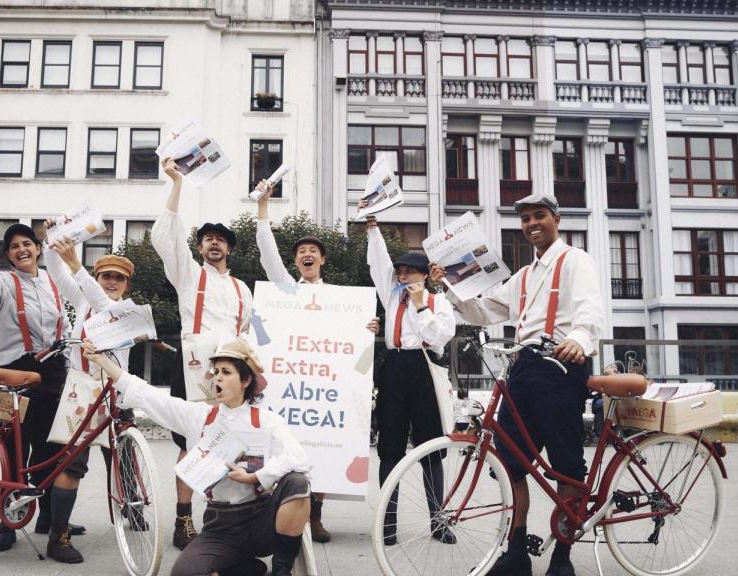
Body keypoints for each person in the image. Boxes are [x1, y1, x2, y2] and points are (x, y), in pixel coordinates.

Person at [429, 193, 603, 576]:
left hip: (561, 367)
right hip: (523, 370)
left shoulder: (576, 261)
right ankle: (516, 552)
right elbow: (485, 309)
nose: (532, 224)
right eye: (525, 219)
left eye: (539, 216)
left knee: (566, 466)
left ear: (556, 218)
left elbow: (590, 308)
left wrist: (579, 339)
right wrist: (448, 289)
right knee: (510, 463)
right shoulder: (524, 276)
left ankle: (563, 556)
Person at [84, 337, 311, 576]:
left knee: (296, 482)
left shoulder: (267, 421)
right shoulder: (198, 417)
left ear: (246, 380)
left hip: (261, 521)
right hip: (221, 526)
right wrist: (101, 361)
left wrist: (257, 477)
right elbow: (146, 395)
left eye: (226, 372)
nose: (218, 378)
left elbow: (299, 457)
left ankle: (281, 570)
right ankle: (247, 569)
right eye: (215, 372)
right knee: (184, 573)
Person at [252, 180, 379, 542]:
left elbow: (357, 342)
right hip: (291, 387)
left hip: (324, 390)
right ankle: (281, 512)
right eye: (301, 251)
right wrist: (263, 209)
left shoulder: (340, 300)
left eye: (313, 250)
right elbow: (267, 254)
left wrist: (368, 326)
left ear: (322, 259)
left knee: (323, 445)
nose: (306, 254)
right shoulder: (285, 291)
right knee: (285, 448)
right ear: (295, 261)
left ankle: (315, 516)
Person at [0, 223, 88, 563]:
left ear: (37, 248)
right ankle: (7, 523)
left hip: (52, 372)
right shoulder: (2, 283)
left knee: (51, 447)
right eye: (14, 246)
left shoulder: (53, 283)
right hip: (14, 373)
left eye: (27, 244)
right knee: (13, 449)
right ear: (7, 255)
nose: (22, 250)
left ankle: (48, 518)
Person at [153, 157, 254, 549]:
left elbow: (254, 333)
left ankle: (224, 517)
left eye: (221, 238)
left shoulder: (243, 289)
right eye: (208, 237)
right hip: (193, 368)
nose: (214, 242)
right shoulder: (189, 275)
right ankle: (183, 519)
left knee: (231, 441)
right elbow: (167, 239)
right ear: (199, 246)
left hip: (232, 371)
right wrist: (176, 183)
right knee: (188, 443)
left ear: (229, 247)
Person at [359, 203, 457, 547]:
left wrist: (419, 305)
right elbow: (378, 262)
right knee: (391, 448)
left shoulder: (438, 303)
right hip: (395, 368)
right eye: (400, 272)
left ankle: (439, 520)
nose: (402, 276)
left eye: (409, 272)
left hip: (425, 369)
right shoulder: (391, 296)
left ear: (424, 276)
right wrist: (372, 227)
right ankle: (388, 523)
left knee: (431, 447)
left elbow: (437, 338)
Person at [42, 225, 142, 533]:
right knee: (72, 461)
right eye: (106, 276)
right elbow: (57, 273)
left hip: (115, 393)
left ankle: (134, 508)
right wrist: (53, 238)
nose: (112, 282)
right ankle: (59, 533)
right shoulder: (83, 300)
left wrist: (78, 266)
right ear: (98, 279)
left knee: (124, 456)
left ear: (126, 284)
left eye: (119, 278)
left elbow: (105, 307)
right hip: (81, 391)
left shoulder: (127, 310)